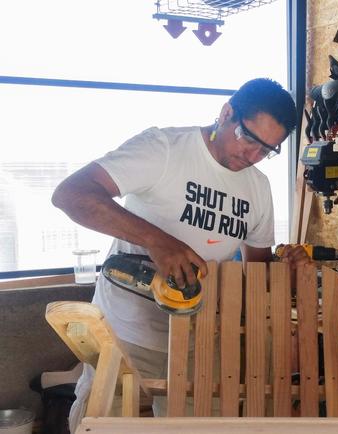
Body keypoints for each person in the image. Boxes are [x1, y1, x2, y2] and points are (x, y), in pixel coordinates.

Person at [52, 77, 310, 427]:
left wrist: (286, 272)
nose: (252, 156)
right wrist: (157, 241)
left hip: (201, 341)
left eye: (266, 150)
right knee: (99, 423)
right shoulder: (164, 149)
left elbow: (258, 273)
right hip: (126, 335)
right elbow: (71, 194)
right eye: (248, 138)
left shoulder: (258, 188)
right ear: (226, 113)